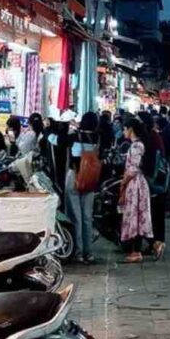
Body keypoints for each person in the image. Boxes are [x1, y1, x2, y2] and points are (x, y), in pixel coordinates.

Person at [66, 111, 99, 264]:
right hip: (91, 179)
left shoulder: (75, 136)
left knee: (76, 217)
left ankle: (78, 252)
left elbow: (56, 141)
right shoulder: (97, 138)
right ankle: (89, 253)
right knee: (87, 217)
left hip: (75, 177)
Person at [120, 117, 154, 263]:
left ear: (130, 129)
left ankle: (137, 251)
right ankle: (154, 244)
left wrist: (123, 182)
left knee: (135, 217)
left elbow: (133, 169)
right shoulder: (138, 145)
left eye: (124, 129)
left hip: (136, 185)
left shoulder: (136, 146)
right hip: (138, 184)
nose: (123, 132)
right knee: (139, 216)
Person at [139, 111, 167, 260]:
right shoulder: (156, 136)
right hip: (159, 181)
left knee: (148, 214)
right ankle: (158, 242)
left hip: (150, 180)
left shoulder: (147, 138)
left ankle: (154, 243)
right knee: (157, 214)